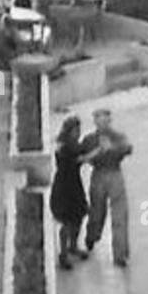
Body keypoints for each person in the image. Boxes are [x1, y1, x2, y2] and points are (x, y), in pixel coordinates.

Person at [79, 108, 132, 267]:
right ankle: (92, 236)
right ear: (95, 122)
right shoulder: (89, 139)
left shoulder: (117, 136)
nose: (102, 124)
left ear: (109, 121)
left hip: (115, 173)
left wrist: (113, 148)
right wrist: (97, 152)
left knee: (120, 214)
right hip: (99, 175)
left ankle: (120, 253)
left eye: (105, 120)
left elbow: (128, 148)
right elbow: (81, 156)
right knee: (97, 211)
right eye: (99, 120)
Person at [49, 115, 88, 270]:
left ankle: (73, 246)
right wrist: (99, 151)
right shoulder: (65, 148)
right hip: (65, 189)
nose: (78, 132)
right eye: (76, 130)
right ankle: (63, 254)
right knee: (66, 222)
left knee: (78, 217)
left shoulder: (72, 145)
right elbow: (80, 158)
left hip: (74, 186)